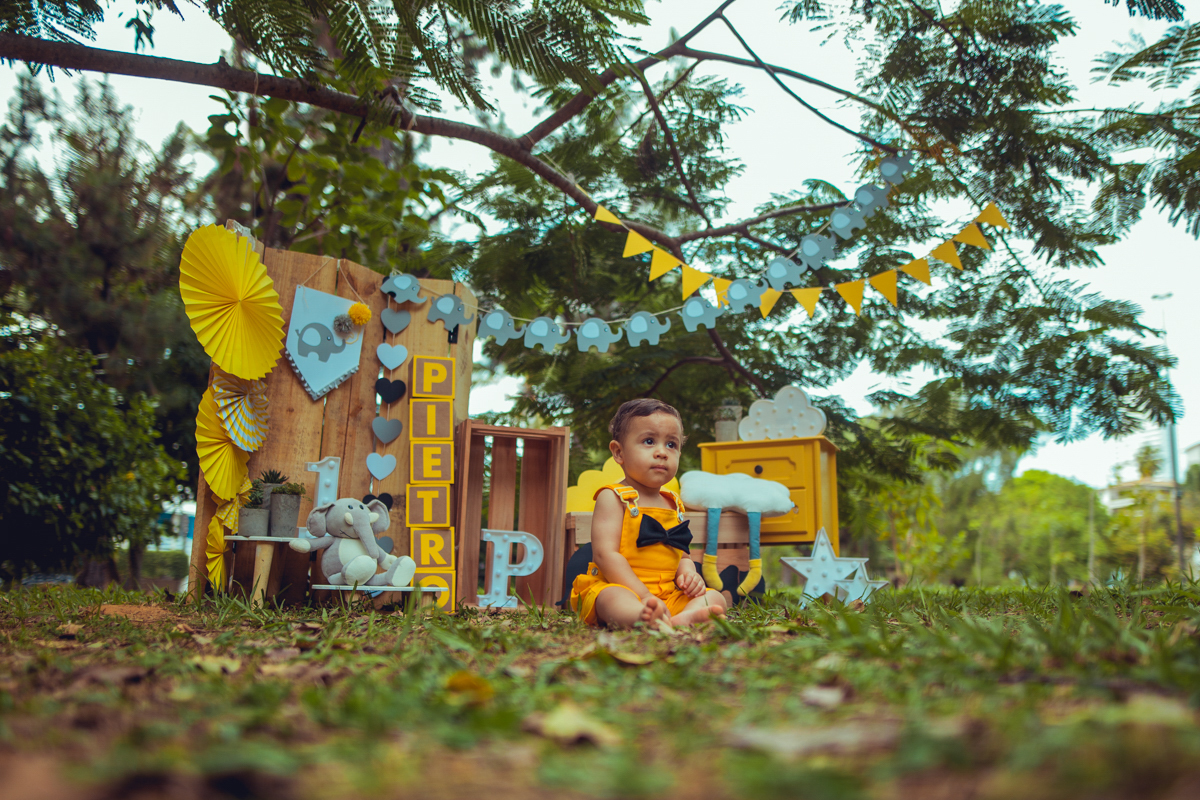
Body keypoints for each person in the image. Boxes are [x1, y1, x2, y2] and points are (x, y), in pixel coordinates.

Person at [570, 399, 727, 628]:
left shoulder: (673, 503)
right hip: (622, 587)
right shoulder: (613, 497)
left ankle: (682, 618)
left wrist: (689, 574)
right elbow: (605, 555)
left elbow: (682, 556)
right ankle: (640, 616)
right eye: (649, 441)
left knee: (715, 597)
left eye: (671, 444)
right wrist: (643, 595)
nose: (662, 452)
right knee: (611, 598)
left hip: (667, 595)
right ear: (619, 452)